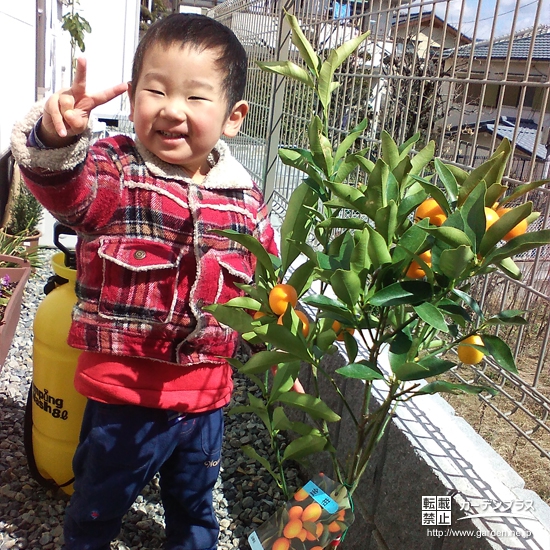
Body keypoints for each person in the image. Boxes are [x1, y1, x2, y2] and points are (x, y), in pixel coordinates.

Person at [11, 13, 277, 550]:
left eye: (196, 98)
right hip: (123, 396)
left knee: (195, 507)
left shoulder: (246, 198)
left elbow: (262, 284)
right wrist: (53, 137)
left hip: (205, 396)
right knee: (97, 504)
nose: (171, 109)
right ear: (133, 100)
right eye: (155, 89)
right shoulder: (116, 172)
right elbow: (66, 188)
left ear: (233, 117)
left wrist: (287, 347)